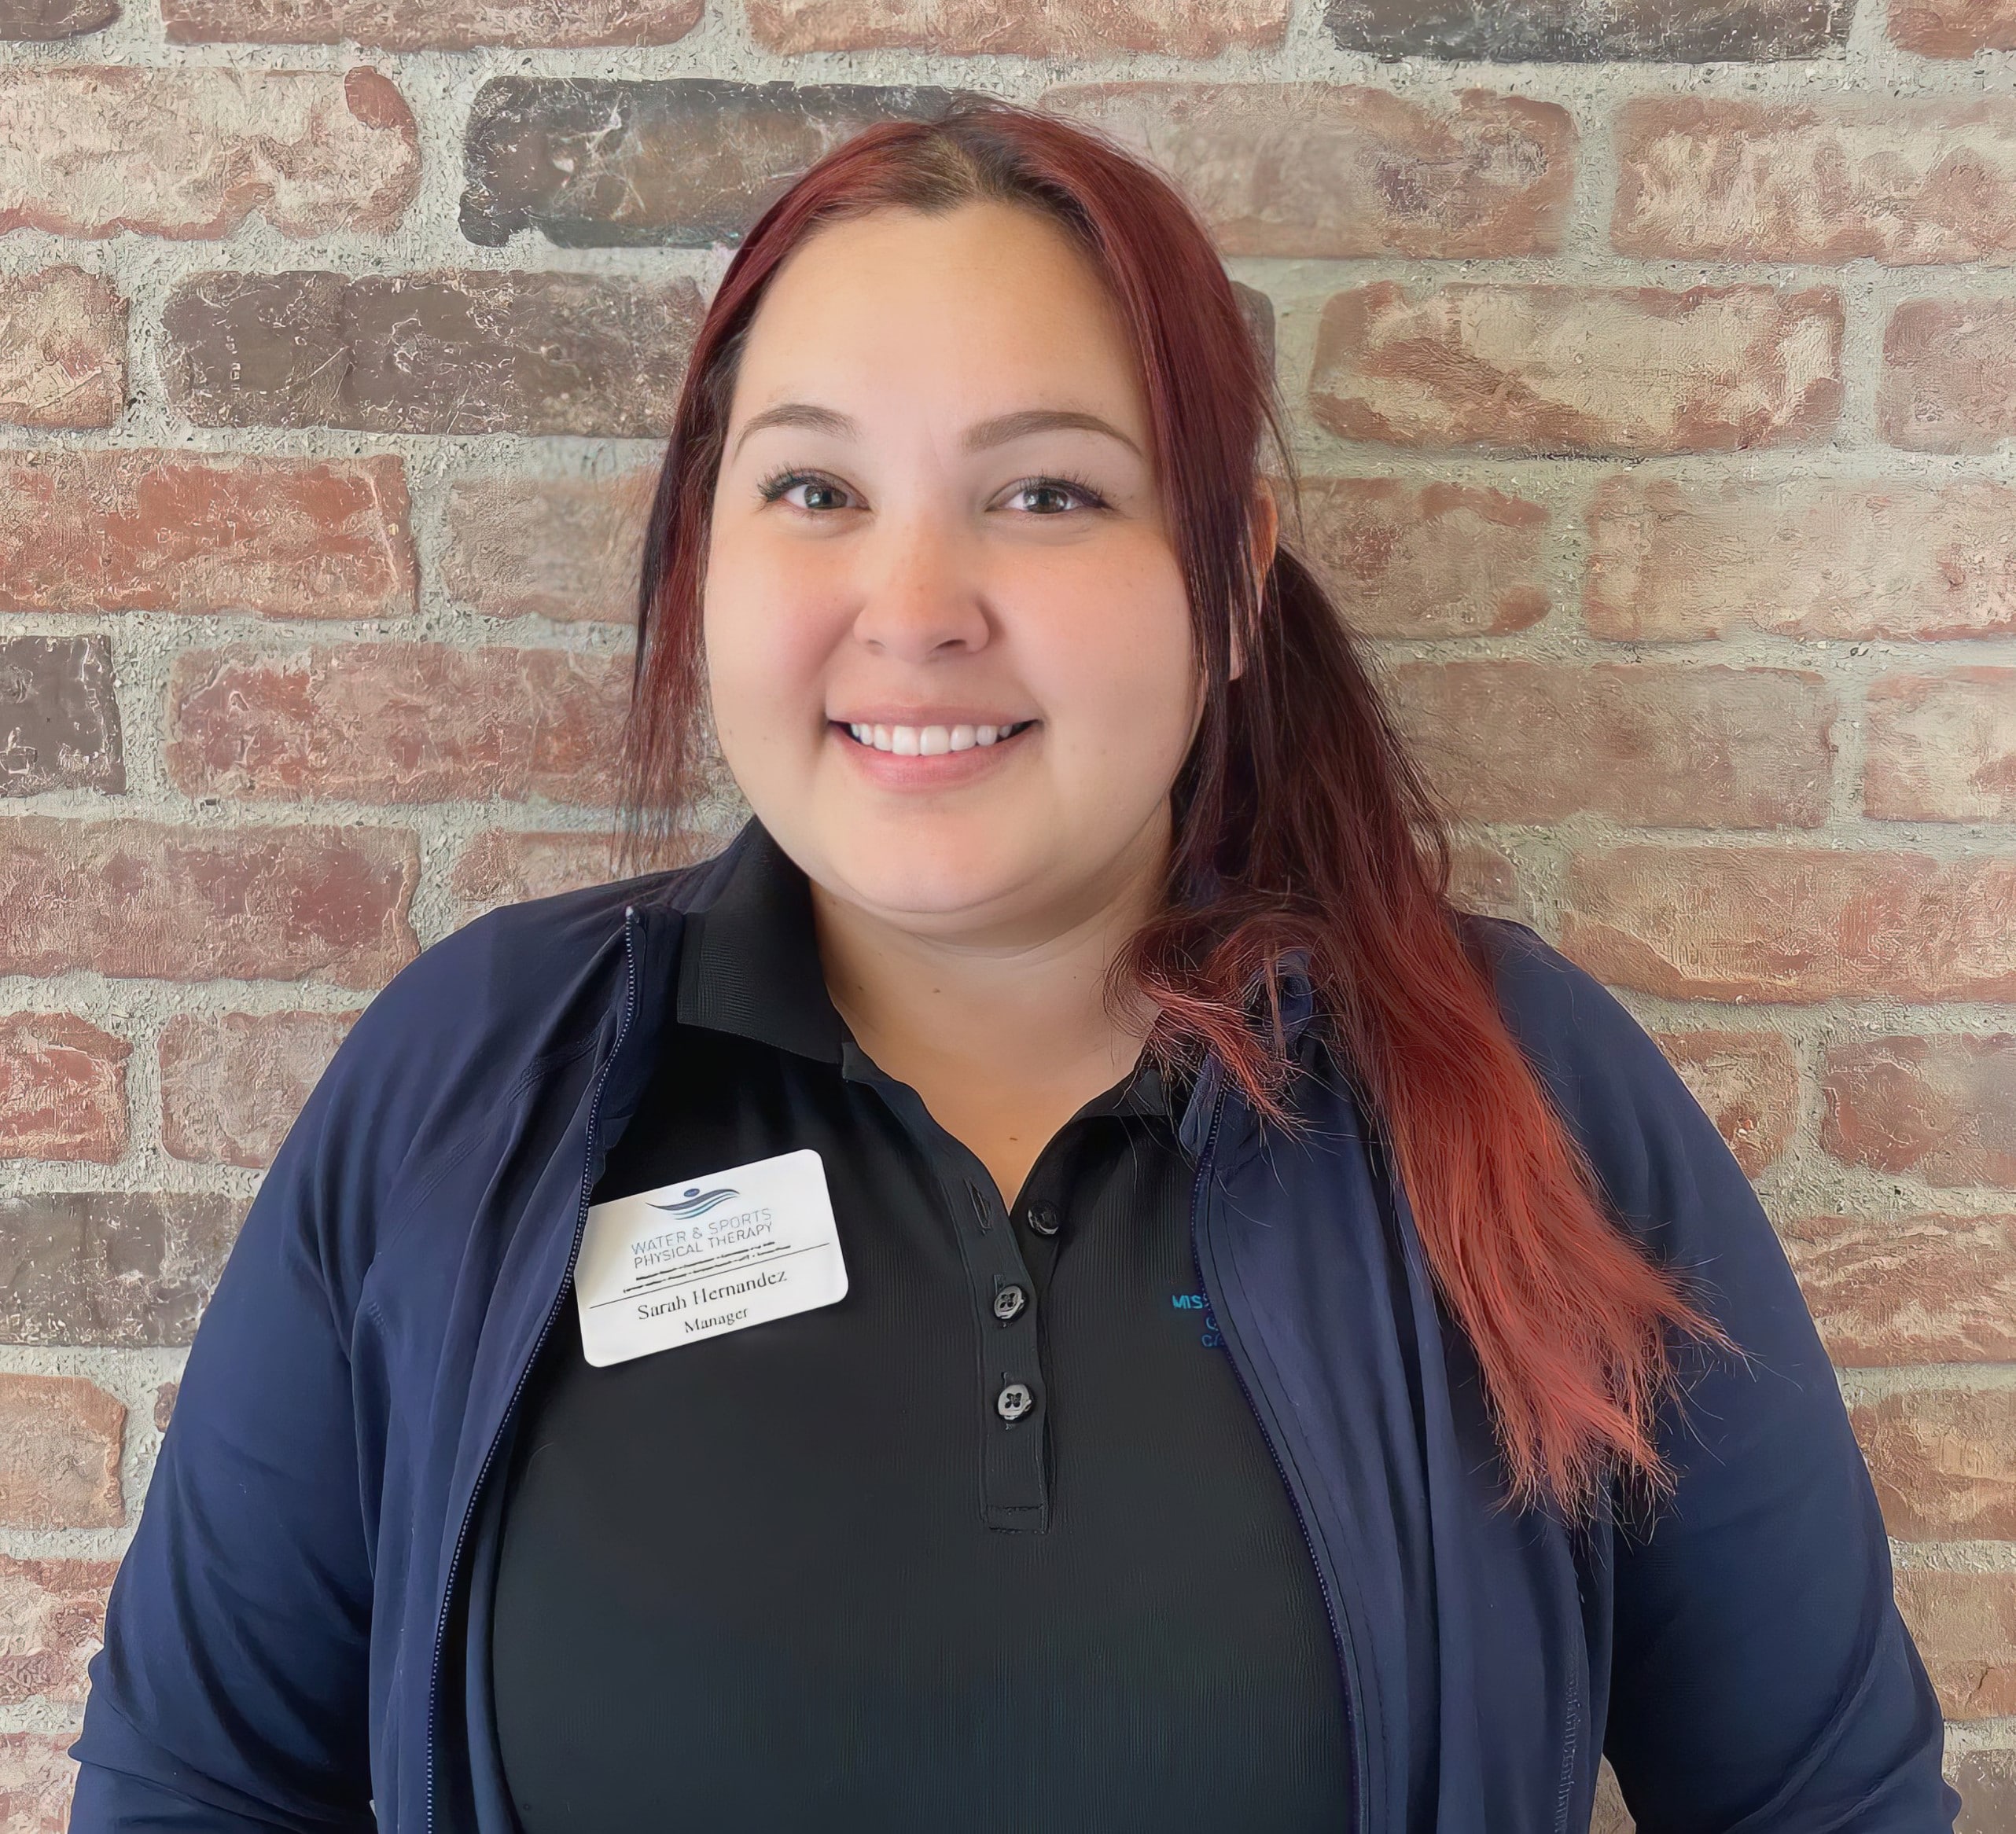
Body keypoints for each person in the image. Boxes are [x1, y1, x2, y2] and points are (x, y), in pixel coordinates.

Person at [69, 97, 1956, 1834]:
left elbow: (1823, 1809)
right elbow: (202, 1793)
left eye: (1046, 493)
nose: (912, 612)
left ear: (1230, 578)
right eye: (815, 492)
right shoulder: (469, 1083)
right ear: (706, 552)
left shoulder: (1524, 1087)